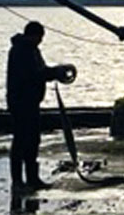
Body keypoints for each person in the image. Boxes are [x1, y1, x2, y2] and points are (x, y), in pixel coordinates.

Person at [6, 21, 74, 191]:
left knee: (33, 140)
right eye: (40, 37)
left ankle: (32, 178)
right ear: (34, 35)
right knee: (21, 140)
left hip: (31, 101)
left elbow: (40, 71)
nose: (41, 40)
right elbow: (33, 75)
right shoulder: (21, 51)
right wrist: (55, 73)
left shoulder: (31, 49)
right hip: (21, 102)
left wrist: (55, 71)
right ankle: (17, 181)